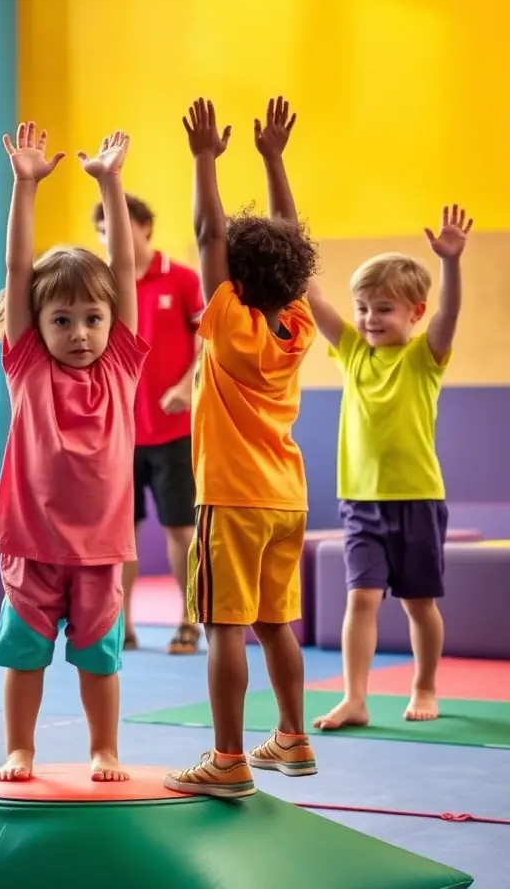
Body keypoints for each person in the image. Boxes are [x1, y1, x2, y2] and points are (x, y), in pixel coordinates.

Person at [165, 97, 319, 799]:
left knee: (225, 624)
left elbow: (206, 233)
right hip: (286, 499)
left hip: (230, 497)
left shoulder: (229, 324)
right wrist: (274, 160)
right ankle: (292, 734)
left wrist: (204, 160)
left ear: (236, 278)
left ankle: (228, 758)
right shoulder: (296, 325)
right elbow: (290, 242)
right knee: (275, 621)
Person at [0, 122, 148, 784]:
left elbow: (124, 272)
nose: (79, 333)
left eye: (91, 318)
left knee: (99, 657)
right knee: (23, 655)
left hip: (101, 549)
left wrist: (111, 184)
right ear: (36, 324)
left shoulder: (122, 367)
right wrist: (25, 187)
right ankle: (20, 748)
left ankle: (103, 748)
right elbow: (19, 270)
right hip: (32, 542)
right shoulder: (27, 366)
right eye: (61, 320)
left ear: (112, 323)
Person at [309, 203, 473, 731]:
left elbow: (450, 315)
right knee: (361, 598)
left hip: (417, 500)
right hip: (360, 502)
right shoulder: (353, 354)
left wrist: (450, 262)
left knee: (419, 605)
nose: (369, 319)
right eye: (362, 308)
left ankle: (424, 683)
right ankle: (355, 697)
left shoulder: (424, 358)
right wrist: (294, 236)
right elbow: (313, 299)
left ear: (414, 313)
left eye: (383, 309)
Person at [91, 194, 203, 654]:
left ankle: (189, 620)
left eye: (117, 226)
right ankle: (124, 625)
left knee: (180, 529)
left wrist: (185, 388)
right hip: (120, 433)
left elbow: (207, 344)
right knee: (122, 533)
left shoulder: (181, 279)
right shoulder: (105, 286)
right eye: (101, 231)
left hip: (174, 432)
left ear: (144, 227)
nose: (109, 237)